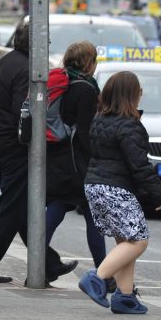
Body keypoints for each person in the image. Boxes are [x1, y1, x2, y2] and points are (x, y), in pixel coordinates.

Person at [0, 18, 76, 284]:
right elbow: (25, 111)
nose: (49, 46)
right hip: (13, 147)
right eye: (46, 42)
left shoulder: (3, 63)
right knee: (13, 209)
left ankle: (48, 263)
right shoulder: (28, 69)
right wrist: (35, 144)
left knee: (22, 207)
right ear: (37, 45)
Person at [78, 70, 161, 314]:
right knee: (138, 240)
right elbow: (139, 166)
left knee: (125, 241)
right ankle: (97, 277)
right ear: (132, 95)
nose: (141, 96)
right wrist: (160, 196)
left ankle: (124, 297)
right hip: (115, 189)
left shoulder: (99, 120)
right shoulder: (130, 126)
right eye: (139, 92)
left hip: (95, 186)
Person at [44, 41, 106, 275]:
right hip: (78, 162)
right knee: (93, 217)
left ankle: (38, 264)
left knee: (58, 206)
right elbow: (85, 131)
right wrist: (96, 159)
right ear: (89, 63)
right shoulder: (86, 89)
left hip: (59, 157)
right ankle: (104, 274)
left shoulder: (63, 82)